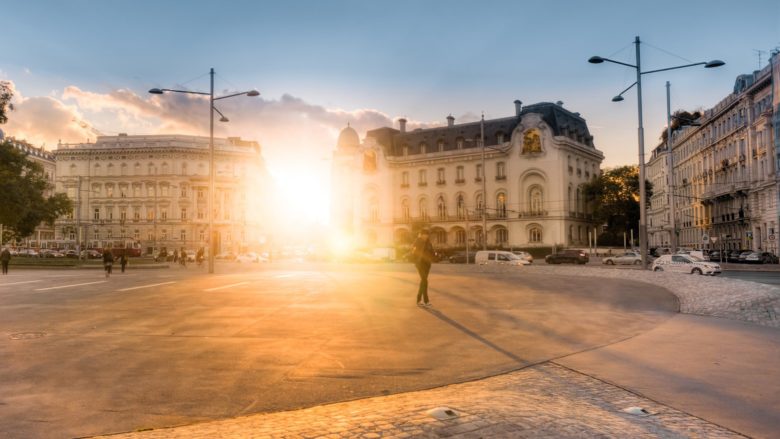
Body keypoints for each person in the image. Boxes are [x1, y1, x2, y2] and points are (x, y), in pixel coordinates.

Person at [410, 229, 435, 307]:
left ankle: (418, 300)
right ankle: (426, 301)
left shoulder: (429, 243)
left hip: (427, 264)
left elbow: (432, 252)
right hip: (420, 264)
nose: (426, 236)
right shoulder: (417, 242)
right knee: (424, 280)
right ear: (420, 235)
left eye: (427, 234)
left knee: (423, 281)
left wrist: (432, 257)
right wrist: (415, 261)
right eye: (424, 234)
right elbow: (413, 252)